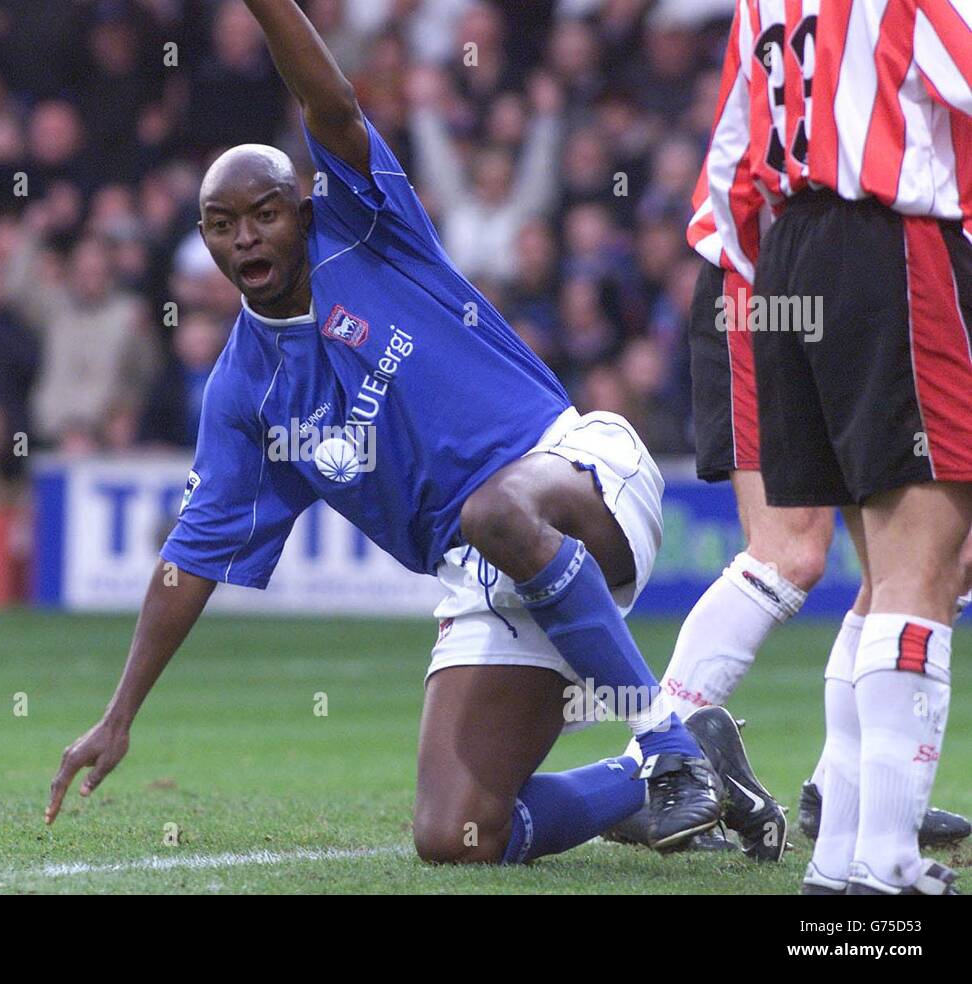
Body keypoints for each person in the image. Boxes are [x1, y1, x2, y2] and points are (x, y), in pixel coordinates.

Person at [46, 0, 785, 864]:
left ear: (302, 209)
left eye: (266, 213)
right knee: (459, 832)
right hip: (482, 570)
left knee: (492, 512)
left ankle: (661, 740)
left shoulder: (367, 230)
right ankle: (680, 761)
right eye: (222, 224)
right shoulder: (243, 392)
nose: (245, 237)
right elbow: (191, 561)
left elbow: (333, 109)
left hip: (577, 470)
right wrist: (119, 713)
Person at [606, 2, 970, 858]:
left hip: (787, 258)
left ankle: (843, 802)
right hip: (770, 273)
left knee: (919, 564)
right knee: (799, 553)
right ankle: (653, 764)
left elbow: (739, 131)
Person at [719, 0, 972, 895]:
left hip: (787, 261)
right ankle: (890, 861)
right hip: (892, 247)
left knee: (889, 573)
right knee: (925, 567)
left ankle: (841, 862)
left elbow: (730, 167)